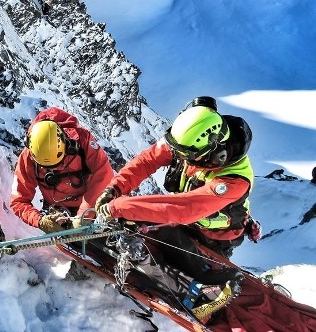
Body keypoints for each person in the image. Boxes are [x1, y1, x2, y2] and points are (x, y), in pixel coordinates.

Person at [95, 96, 257, 323]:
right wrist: (116, 188)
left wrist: (120, 207)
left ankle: (205, 290)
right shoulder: (192, 142)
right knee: (159, 235)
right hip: (187, 219)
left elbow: (184, 208)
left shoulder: (233, 179)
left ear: (213, 150)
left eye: (186, 156)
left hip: (214, 237)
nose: (180, 158)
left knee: (176, 250)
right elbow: (149, 159)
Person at [10, 107, 114, 233]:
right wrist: (40, 220)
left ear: (66, 144)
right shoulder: (28, 157)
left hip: (93, 201)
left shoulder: (82, 141)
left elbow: (104, 174)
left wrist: (83, 215)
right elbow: (19, 201)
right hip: (60, 210)